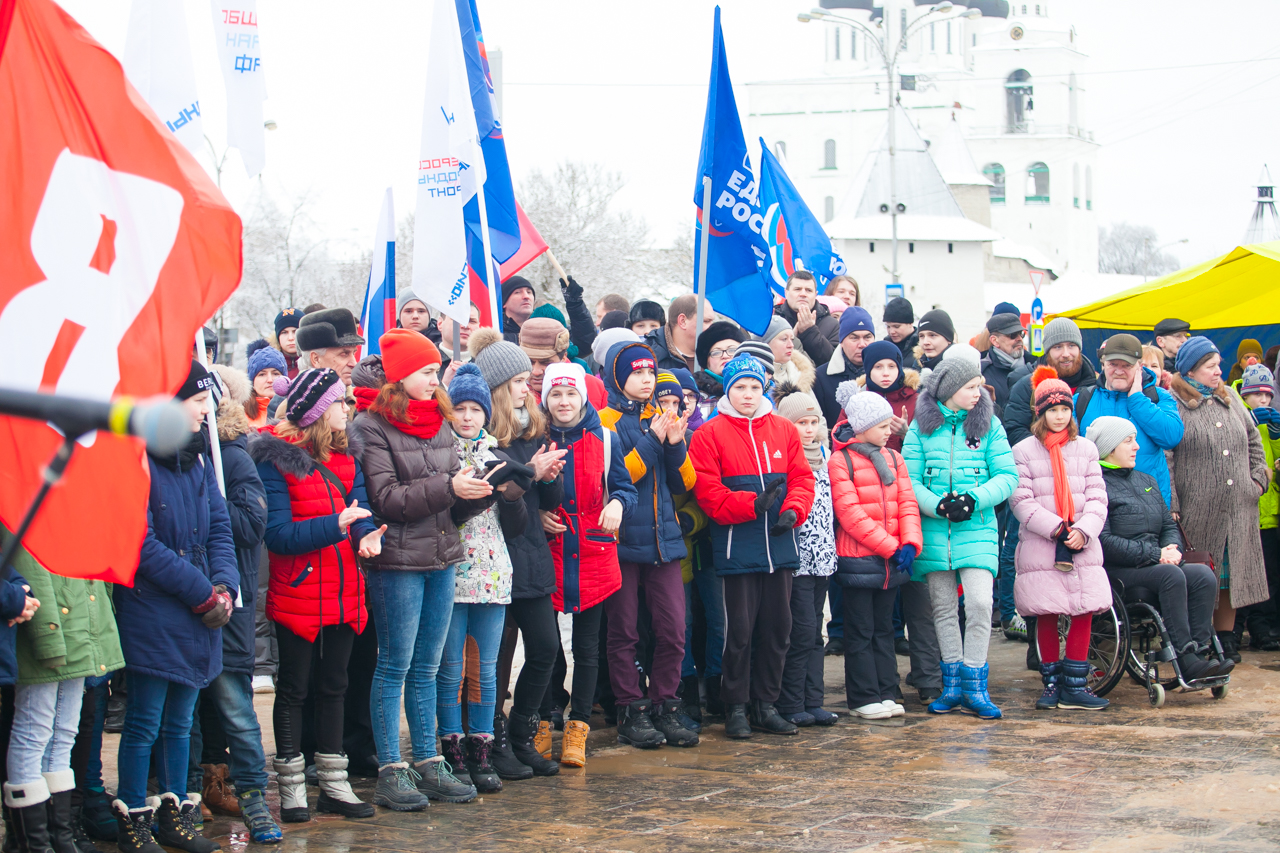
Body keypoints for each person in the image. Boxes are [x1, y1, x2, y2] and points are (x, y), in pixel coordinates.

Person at [350, 330, 498, 810]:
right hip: (396, 559)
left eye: (436, 370)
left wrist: (482, 492)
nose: (436, 378)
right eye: (426, 371)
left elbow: (447, 502)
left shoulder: (439, 421)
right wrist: (450, 487)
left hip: (441, 555)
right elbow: (386, 499)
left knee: (429, 667)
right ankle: (392, 768)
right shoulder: (369, 426)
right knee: (394, 663)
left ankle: (430, 761)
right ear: (400, 377)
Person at [112, 361, 238, 853]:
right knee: (145, 720)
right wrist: (202, 592)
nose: (206, 412)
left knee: (181, 721)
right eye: (197, 402)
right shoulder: (136, 460)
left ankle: (176, 814)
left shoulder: (200, 460)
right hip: (155, 608)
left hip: (202, 609)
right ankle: (132, 817)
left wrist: (224, 586)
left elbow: (220, 530)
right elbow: (140, 544)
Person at [251, 367, 384, 823]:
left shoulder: (348, 455)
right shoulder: (275, 460)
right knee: (293, 689)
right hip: (299, 593)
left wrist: (367, 534)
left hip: (345, 589)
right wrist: (339, 525)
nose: (348, 409)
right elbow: (279, 535)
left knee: (335, 686)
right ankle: (291, 786)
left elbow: (359, 509)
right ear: (319, 412)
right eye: (341, 402)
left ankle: (334, 782)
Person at [688, 353, 816, 739]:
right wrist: (751, 505)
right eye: (740, 387)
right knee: (738, 632)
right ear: (729, 389)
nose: (747, 394)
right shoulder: (709, 433)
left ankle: (766, 704)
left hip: (780, 547)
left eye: (755, 387)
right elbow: (708, 494)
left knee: (778, 629)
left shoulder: (783, 429)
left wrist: (793, 511)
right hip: (734, 550)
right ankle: (736, 707)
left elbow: (802, 480)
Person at [468, 328, 565, 779]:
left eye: (528, 379)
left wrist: (549, 476)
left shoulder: (534, 430)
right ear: (499, 389)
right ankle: (495, 739)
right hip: (494, 560)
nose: (528, 388)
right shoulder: (487, 441)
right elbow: (501, 502)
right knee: (496, 662)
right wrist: (531, 473)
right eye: (519, 382)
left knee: (545, 649)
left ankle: (524, 735)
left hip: (532, 558)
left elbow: (546, 503)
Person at [905, 358, 1017, 720]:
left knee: (982, 603)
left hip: (977, 528)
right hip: (936, 530)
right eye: (970, 386)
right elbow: (909, 478)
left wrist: (974, 499)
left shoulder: (990, 425)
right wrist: (936, 505)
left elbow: (1006, 476)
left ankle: (975, 683)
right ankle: (951, 683)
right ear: (950, 389)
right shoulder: (920, 426)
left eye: (979, 386)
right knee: (942, 609)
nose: (978, 392)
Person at [198, 366, 283, 843]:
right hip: (183, 604)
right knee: (182, 715)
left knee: (236, 710)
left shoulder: (234, 456)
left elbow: (252, 528)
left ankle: (252, 795)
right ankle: (187, 793)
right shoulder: (171, 458)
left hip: (232, 604)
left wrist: (211, 495)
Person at [599, 343, 698, 749]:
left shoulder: (660, 416)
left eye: (650, 373)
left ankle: (666, 704)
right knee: (624, 631)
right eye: (637, 373)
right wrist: (655, 441)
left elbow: (685, 483)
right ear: (619, 376)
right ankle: (630, 708)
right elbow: (622, 477)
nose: (646, 380)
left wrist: (675, 443)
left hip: (664, 540)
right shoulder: (604, 421)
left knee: (674, 629)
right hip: (622, 542)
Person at [437, 363, 530, 796]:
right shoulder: (439, 454)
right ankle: (452, 747)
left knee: (485, 669)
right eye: (461, 408)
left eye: (476, 408)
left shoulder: (499, 455)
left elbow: (514, 526)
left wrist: (511, 497)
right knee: (452, 667)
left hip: (493, 573)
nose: (469, 416)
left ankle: (482, 746)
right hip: (452, 572)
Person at [4, 521, 122, 853]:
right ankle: (35, 844)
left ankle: (59, 835)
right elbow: (31, 568)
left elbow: (97, 577)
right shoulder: (33, 494)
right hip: (52, 624)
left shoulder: (78, 498)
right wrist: (48, 637)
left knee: (63, 735)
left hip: (82, 627)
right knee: (34, 733)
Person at [541, 362, 637, 767]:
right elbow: (518, 488)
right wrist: (535, 515)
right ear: (546, 399)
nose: (564, 402)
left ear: (583, 396)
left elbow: (624, 488)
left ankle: (579, 725)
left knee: (587, 647)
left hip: (594, 552)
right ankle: (543, 719)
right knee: (544, 647)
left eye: (571, 394)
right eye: (556, 395)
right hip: (547, 552)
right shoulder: (533, 438)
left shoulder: (608, 438)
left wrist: (617, 503)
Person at [1090, 416, 1224, 681]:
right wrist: (1156, 554)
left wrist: (1171, 547)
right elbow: (1103, 541)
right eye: (1128, 441)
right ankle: (1184, 656)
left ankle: (1201, 650)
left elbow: (1168, 523)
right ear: (1110, 447)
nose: (1136, 446)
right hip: (1121, 571)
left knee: (1203, 576)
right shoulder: (1097, 485)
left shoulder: (1145, 480)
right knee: (1171, 576)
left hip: (1158, 562)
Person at [1010, 367, 1112, 711]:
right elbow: (1021, 500)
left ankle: (1076, 685)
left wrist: (1084, 530)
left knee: (1083, 610)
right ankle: (1052, 682)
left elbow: (1098, 496)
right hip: (1044, 543)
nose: (1059, 416)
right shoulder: (1024, 450)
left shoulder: (1086, 449)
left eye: (1064, 409)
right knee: (1048, 612)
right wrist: (1056, 528)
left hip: (1082, 543)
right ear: (1040, 413)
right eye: (1052, 410)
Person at [1168, 336, 1271, 663]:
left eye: (1218, 365)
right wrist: (1173, 505)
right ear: (1191, 371)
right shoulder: (1173, 404)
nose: (1219, 372)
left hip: (1240, 506)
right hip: (1197, 510)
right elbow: (1167, 458)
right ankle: (1204, 640)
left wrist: (1258, 480)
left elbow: (1254, 442)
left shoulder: (1231, 399)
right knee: (1205, 576)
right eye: (1211, 367)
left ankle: (1226, 640)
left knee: (1231, 576)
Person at [828, 391, 922, 721]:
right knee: (860, 631)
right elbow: (850, 513)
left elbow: (908, 503)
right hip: (859, 561)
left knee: (885, 630)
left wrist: (910, 543)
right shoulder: (842, 461)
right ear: (863, 426)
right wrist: (891, 547)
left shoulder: (894, 459)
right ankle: (863, 696)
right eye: (882, 426)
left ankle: (887, 690)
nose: (888, 431)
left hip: (890, 563)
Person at [774, 383, 839, 727]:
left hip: (823, 557)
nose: (809, 430)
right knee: (799, 631)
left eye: (814, 422)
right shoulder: (784, 459)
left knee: (817, 631)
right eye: (802, 423)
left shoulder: (826, 456)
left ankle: (813, 699)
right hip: (797, 558)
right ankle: (790, 701)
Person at [1076, 333, 1184, 506]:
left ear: (1139, 367)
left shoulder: (1158, 396)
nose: (1119, 371)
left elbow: (1171, 437)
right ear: (1103, 364)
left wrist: (1137, 400)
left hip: (1148, 505)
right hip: (1095, 505)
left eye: (1126, 365)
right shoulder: (1083, 399)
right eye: (1113, 364)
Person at [1235, 364, 1280, 650]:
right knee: (1242, 573)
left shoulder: (1274, 420)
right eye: (1257, 394)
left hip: (1269, 512)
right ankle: (1236, 628)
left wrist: (1276, 435)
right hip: (1245, 509)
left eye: (1267, 395)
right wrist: (1250, 420)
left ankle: (1265, 627)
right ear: (1246, 394)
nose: (1263, 400)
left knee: (1270, 573)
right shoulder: (1235, 411)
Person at [520, 317, 608, 411]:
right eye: (529, 362)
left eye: (546, 363)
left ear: (564, 357)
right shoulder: (508, 393)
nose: (536, 372)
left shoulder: (598, 389)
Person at [815, 306, 876, 428]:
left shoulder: (887, 375)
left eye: (867, 337)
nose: (862, 344)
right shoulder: (820, 378)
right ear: (841, 341)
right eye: (854, 338)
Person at [857, 340, 918, 453]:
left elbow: (929, 449)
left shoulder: (916, 401)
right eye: (878, 367)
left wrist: (906, 434)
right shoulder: (856, 400)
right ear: (868, 370)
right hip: (864, 467)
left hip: (904, 467)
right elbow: (840, 442)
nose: (886, 373)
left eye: (891, 366)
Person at [773, 271, 840, 365]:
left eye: (808, 290)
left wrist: (810, 332)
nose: (803, 294)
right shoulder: (773, 319)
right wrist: (792, 338)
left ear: (816, 294)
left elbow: (833, 362)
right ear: (786, 293)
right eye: (797, 289)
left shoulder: (832, 325)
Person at [295, 308, 365, 388]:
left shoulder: (361, 397)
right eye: (344, 354)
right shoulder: (289, 400)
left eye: (354, 353)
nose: (354, 364)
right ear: (316, 359)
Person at [693, 320, 747, 419]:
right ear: (707, 361)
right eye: (716, 352)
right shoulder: (694, 394)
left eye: (732, 350)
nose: (725, 356)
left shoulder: (761, 387)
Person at [642, 294, 703, 373]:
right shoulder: (648, 355)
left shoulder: (717, 354)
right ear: (683, 321)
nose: (711, 326)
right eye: (706, 321)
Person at [980, 313, 1028, 410]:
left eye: (1021, 334)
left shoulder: (1034, 365)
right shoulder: (982, 372)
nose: (1019, 339)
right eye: (1013, 335)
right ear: (995, 341)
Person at [762, 316, 816, 393]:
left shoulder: (801, 373)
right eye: (784, 339)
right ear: (766, 343)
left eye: (791, 339)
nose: (791, 345)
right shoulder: (756, 377)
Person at [244, 340, 287, 429]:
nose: (270, 380)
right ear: (252, 381)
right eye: (262, 374)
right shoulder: (240, 414)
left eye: (275, 374)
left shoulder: (296, 408)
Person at [882, 297, 920, 370]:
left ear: (910, 324)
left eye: (896, 326)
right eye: (888, 326)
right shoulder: (884, 348)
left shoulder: (923, 348)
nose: (892, 331)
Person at [501, 277, 536, 343]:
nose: (526, 296)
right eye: (517, 292)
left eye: (529, 292)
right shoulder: (497, 335)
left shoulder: (541, 332)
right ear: (504, 303)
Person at [273, 309, 302, 379]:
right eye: (284, 332)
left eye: (295, 331)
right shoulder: (267, 366)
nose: (290, 338)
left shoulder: (317, 363)